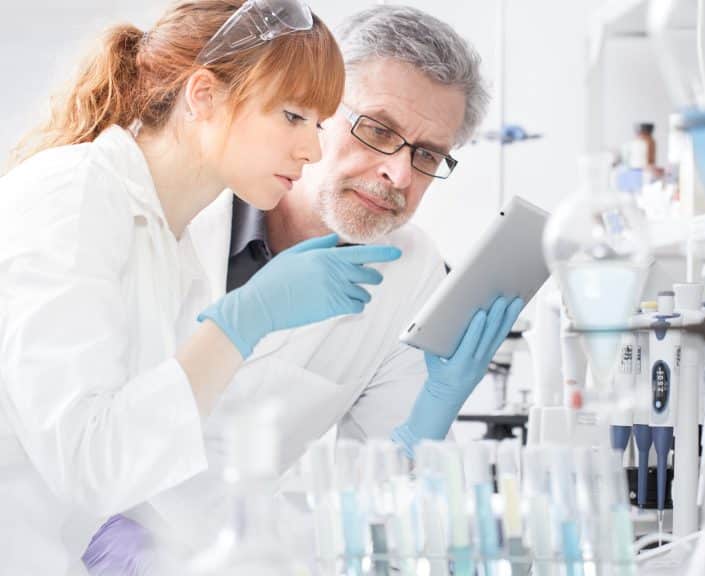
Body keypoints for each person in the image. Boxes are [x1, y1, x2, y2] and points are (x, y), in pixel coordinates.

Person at [83, 4, 526, 572]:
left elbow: (372, 503)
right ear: (317, 110)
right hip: (95, 531)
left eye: (427, 154)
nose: (400, 175)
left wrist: (425, 426)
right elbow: (78, 423)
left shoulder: (411, 269)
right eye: (378, 130)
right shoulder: (185, 205)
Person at [0, 1, 404, 574]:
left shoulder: (174, 246)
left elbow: (154, 464)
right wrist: (243, 321)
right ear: (204, 96)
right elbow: (91, 466)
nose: (312, 150)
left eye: (318, 124)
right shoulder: (74, 199)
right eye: (293, 116)